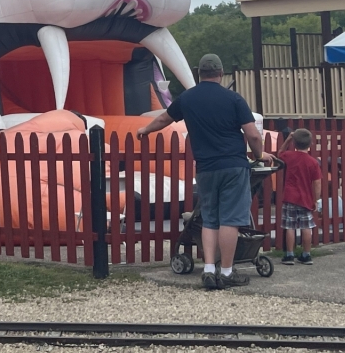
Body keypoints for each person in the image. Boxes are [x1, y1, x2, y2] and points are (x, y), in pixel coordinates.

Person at [137, 53, 273, 290]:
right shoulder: (234, 99)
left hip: (206, 167)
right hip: (233, 165)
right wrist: (259, 155)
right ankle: (227, 272)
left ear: (199, 74)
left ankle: (209, 269)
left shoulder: (187, 99)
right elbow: (252, 134)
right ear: (220, 73)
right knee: (230, 220)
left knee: (210, 218)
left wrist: (144, 130)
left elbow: (163, 120)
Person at [278, 128, 322, 265]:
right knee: (306, 226)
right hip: (306, 198)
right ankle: (306, 254)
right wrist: (316, 199)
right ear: (311, 144)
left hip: (290, 196)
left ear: (295, 143)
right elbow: (317, 182)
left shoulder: (290, 156)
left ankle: (289, 254)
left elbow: (280, 153)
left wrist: (288, 140)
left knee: (290, 226)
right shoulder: (313, 162)